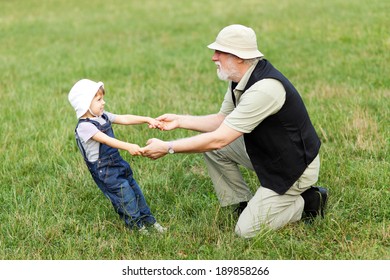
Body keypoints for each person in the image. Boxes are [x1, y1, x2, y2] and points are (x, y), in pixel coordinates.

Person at [141, 24, 328, 238]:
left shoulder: (265, 89)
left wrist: (168, 147)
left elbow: (219, 139)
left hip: (293, 169)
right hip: (268, 153)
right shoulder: (241, 78)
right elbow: (222, 121)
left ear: (239, 57)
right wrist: (180, 120)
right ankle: (244, 205)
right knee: (211, 148)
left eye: (220, 52)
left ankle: (309, 202)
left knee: (246, 231)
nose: (214, 57)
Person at [68, 79, 166, 235]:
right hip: (105, 171)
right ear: (85, 104)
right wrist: (128, 146)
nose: (103, 102)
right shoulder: (84, 127)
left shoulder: (102, 116)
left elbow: (124, 118)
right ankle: (137, 228)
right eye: (99, 99)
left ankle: (150, 221)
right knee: (125, 197)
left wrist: (146, 119)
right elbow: (106, 140)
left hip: (118, 164)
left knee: (135, 191)